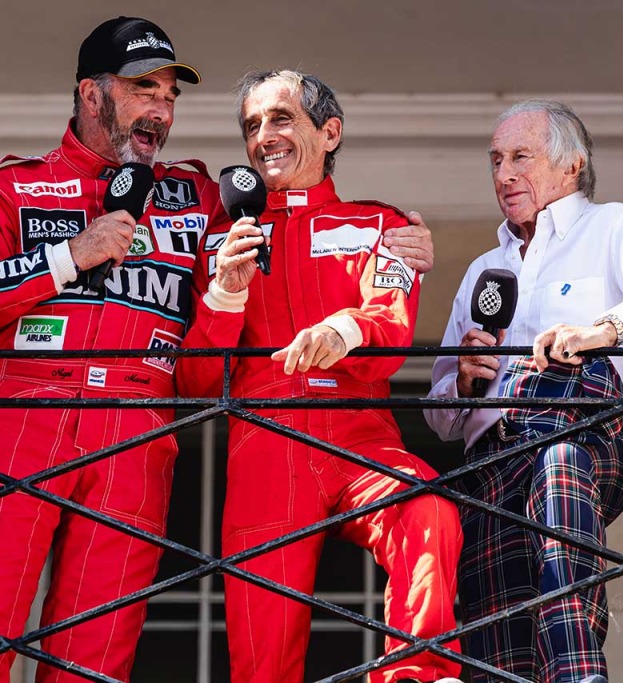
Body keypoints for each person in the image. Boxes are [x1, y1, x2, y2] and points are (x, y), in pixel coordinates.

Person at [0, 17, 222, 682]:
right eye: (144, 90)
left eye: (170, 96)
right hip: (22, 415)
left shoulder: (200, 196)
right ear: (92, 93)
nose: (161, 110)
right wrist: (67, 257)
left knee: (95, 657)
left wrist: (386, 241)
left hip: (138, 428)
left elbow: (263, 268)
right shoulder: (5, 187)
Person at [178, 69, 463, 683]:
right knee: (262, 651)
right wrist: (226, 292)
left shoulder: (381, 224)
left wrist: (343, 330)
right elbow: (195, 383)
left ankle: (417, 674)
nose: (263, 136)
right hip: (265, 444)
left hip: (361, 432)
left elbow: (390, 330)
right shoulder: (221, 239)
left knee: (427, 508)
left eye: (281, 118)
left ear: (329, 132)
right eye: (252, 125)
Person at [425, 100, 623, 683]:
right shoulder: (482, 269)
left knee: (560, 463)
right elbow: (438, 413)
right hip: (494, 459)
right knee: (499, 632)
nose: (503, 174)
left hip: (592, 434)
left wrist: (603, 330)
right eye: (496, 160)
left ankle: (578, 674)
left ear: (572, 165)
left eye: (521, 156)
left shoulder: (616, 225)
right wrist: (464, 378)